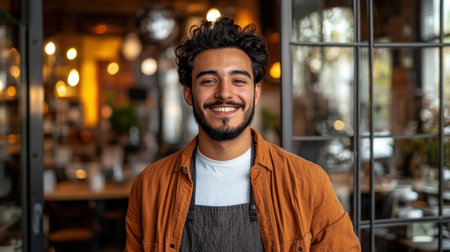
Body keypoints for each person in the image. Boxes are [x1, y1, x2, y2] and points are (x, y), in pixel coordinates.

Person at [125, 17, 361, 251]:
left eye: (238, 80)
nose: (224, 93)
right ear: (188, 94)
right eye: (208, 81)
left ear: (255, 92)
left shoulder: (307, 181)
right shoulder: (149, 187)